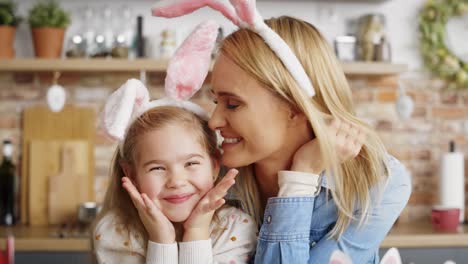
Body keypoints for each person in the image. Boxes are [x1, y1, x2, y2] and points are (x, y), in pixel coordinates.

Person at [152, 1, 412, 263]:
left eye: (233, 104)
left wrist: (300, 178)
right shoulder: (206, 180)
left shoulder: (378, 183)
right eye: (217, 102)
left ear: (294, 108)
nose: (214, 121)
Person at [93, 21, 257, 264]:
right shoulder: (115, 233)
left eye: (191, 163)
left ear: (214, 166)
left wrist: (197, 233)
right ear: (131, 174)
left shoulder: (236, 229)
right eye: (157, 168)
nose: (177, 182)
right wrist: (162, 240)